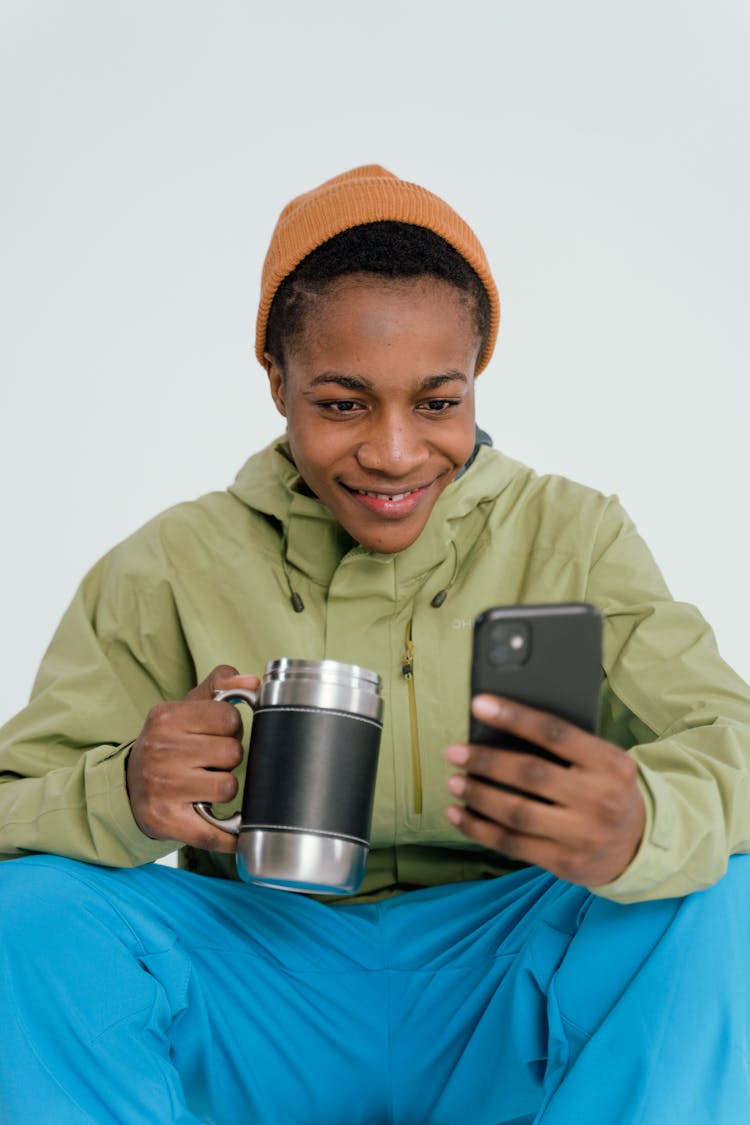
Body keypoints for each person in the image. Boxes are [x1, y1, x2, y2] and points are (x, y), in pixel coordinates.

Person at [1, 164, 750, 1125]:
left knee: (717, 885)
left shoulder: (574, 533)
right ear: (277, 382)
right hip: (258, 987)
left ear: (475, 381)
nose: (395, 453)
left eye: (437, 403)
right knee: (25, 914)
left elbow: (730, 744)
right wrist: (124, 789)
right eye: (344, 403)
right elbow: (16, 805)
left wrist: (640, 821)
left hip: (508, 982)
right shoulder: (168, 563)